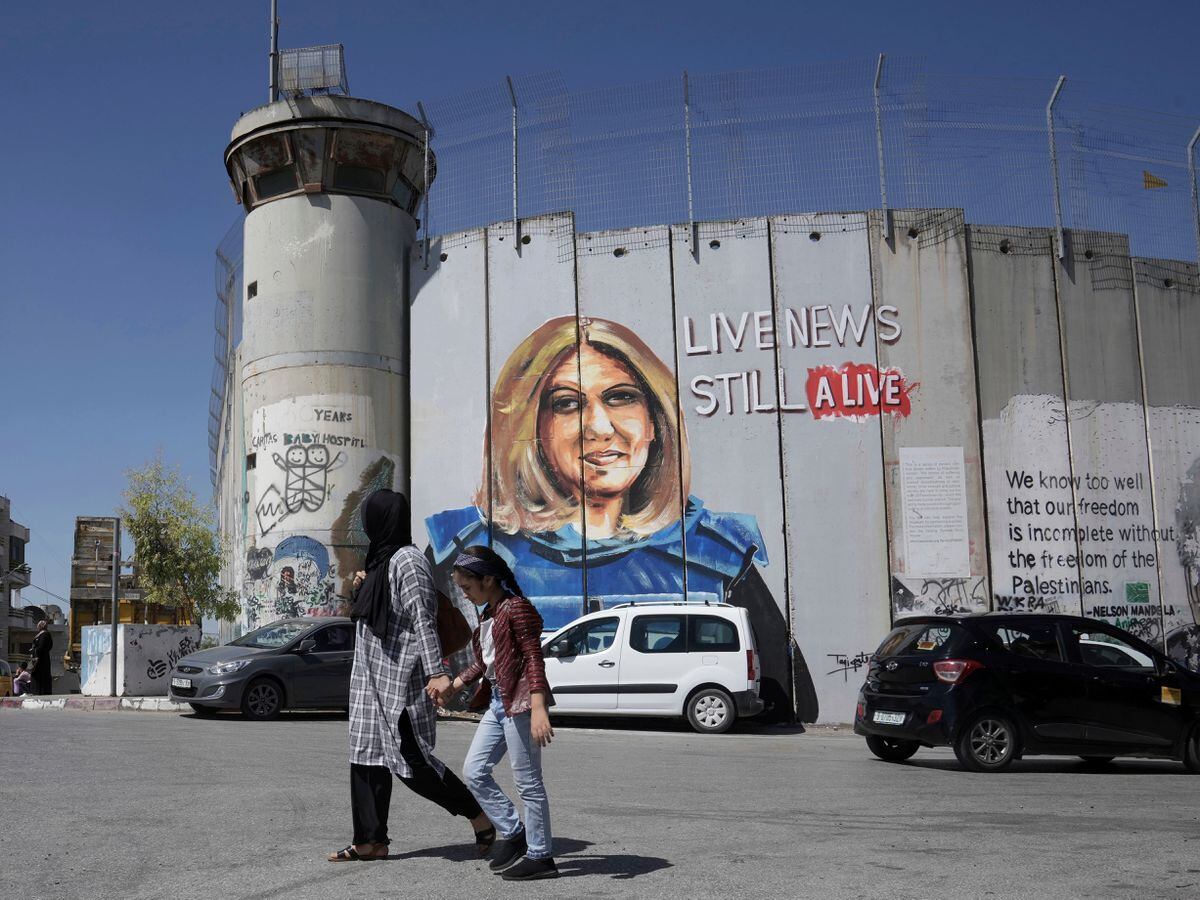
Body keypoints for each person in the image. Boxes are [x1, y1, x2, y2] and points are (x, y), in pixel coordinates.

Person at [425, 315, 817, 720]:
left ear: (654, 419)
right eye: (567, 404)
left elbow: (794, 693)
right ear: (531, 426)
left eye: (620, 397)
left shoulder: (717, 555)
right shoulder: (465, 546)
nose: (599, 426)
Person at [328, 489, 493, 863]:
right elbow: (376, 615)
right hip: (370, 683)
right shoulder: (381, 561)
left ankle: (479, 816)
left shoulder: (408, 561)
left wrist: (437, 673)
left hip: (401, 682)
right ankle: (370, 841)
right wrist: (363, 586)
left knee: (413, 765)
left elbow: (423, 619)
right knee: (365, 758)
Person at [434, 545, 558, 881]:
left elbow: (534, 657)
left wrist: (537, 707)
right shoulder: (490, 613)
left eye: (468, 588)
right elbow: (485, 662)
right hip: (498, 704)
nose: (465, 594)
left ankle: (541, 856)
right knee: (474, 771)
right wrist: (454, 684)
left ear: (488, 579)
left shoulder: (516, 609)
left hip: (518, 705)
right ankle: (515, 833)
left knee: (529, 783)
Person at [29, 620, 53, 696]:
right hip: (39, 658)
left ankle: (39, 692)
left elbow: (42, 647)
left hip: (41, 660)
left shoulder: (45, 634)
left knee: (40, 675)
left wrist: (34, 650)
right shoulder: (43, 634)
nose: (37, 627)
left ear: (41, 626)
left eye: (38, 625)